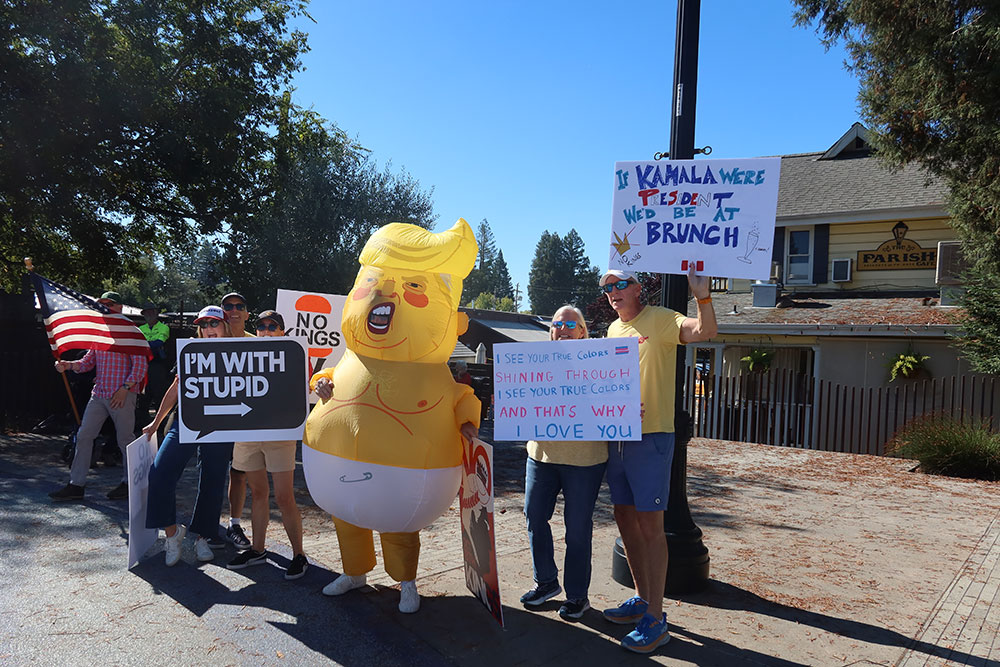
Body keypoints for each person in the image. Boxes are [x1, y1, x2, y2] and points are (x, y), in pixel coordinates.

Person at [600, 267, 717, 654]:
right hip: (617, 437)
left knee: (652, 526)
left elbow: (705, 333)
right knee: (624, 518)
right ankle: (641, 598)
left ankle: (657, 617)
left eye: (620, 284)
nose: (613, 291)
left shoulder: (663, 319)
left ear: (637, 288)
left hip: (651, 437)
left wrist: (702, 296)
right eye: (607, 287)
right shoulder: (612, 331)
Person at [519, 305, 608, 620]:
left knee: (577, 530)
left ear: (584, 331)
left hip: (585, 460)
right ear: (551, 330)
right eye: (558, 323)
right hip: (541, 456)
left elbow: (615, 398)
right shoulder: (533, 363)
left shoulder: (602, 362)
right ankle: (546, 582)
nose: (564, 328)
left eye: (572, 323)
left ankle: (577, 597)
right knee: (534, 517)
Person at [142, 306, 235, 565]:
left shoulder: (240, 349)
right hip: (186, 420)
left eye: (214, 323)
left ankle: (203, 537)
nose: (208, 329)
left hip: (222, 423)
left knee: (213, 479)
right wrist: (155, 422)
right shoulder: (190, 349)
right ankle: (172, 534)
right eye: (204, 324)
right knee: (159, 473)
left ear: (225, 326)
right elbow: (175, 387)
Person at [226, 311, 309, 579]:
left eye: (272, 326)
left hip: (279, 435)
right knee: (258, 494)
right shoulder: (244, 353)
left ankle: (299, 555)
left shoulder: (294, 354)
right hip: (248, 434)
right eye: (261, 326)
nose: (266, 330)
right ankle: (258, 549)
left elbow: (304, 385)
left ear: (282, 331)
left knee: (284, 497)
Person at [49, 291, 149, 502]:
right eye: (101, 304)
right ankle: (76, 484)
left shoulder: (131, 331)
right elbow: (87, 363)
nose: (104, 307)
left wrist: (125, 388)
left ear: (119, 307)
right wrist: (67, 365)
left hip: (122, 395)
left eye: (109, 304)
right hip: (100, 394)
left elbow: (140, 366)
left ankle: (130, 483)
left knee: (125, 440)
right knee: (85, 436)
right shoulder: (99, 333)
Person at [220, 291, 254, 551]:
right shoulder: (211, 337)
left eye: (238, 306)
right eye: (228, 306)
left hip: (247, 418)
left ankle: (234, 524)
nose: (233, 309)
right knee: (210, 472)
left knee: (239, 473)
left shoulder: (256, 342)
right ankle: (206, 529)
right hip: (216, 418)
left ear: (246, 314)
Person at [136, 301, 169, 425]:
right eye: (146, 312)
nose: (149, 314)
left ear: (156, 313)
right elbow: (139, 345)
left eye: (152, 311)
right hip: (143, 365)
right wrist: (149, 345)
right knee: (144, 395)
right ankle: (142, 423)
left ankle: (161, 424)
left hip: (157, 365)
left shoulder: (164, 327)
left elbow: (159, 343)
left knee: (159, 394)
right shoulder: (140, 329)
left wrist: (144, 345)